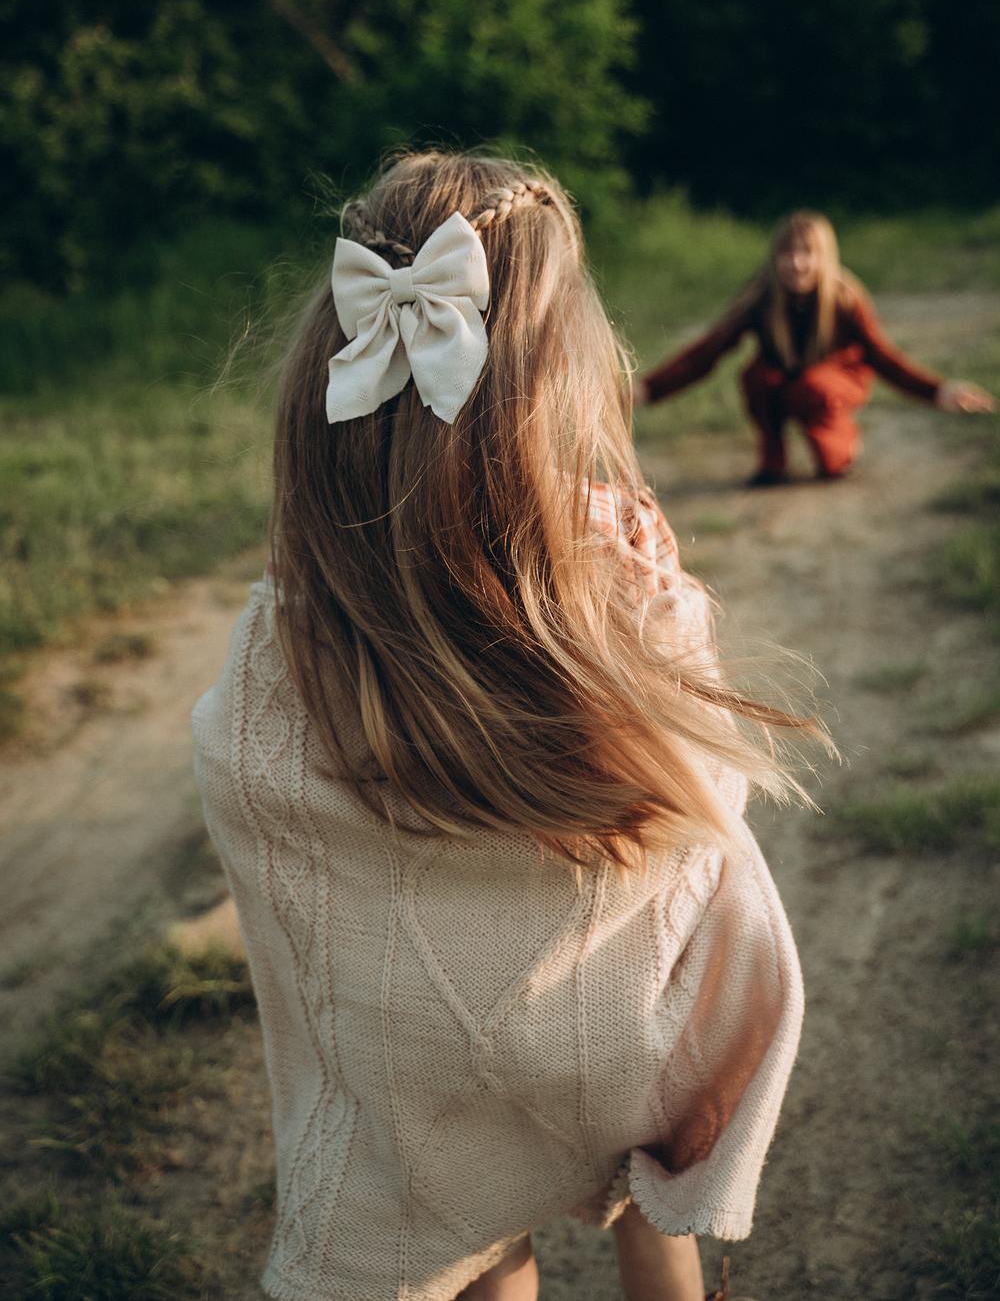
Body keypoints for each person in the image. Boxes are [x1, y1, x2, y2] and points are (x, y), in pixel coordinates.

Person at [193, 152, 823, 1301]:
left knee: (460, 1208)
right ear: (560, 367)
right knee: (642, 1118)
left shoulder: (292, 624)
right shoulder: (618, 575)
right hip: (610, 1053)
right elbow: (694, 815)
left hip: (417, 1079)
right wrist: (667, 603)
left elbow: (248, 789)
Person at [637, 210, 995, 485]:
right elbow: (707, 352)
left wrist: (938, 391)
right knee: (756, 377)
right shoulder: (761, 295)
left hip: (833, 383)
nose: (796, 263)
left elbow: (885, 358)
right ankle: (773, 460)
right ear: (775, 258)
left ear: (825, 256)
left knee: (819, 409)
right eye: (787, 253)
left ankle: (841, 447)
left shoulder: (844, 297)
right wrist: (648, 389)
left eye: (807, 253)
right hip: (788, 384)